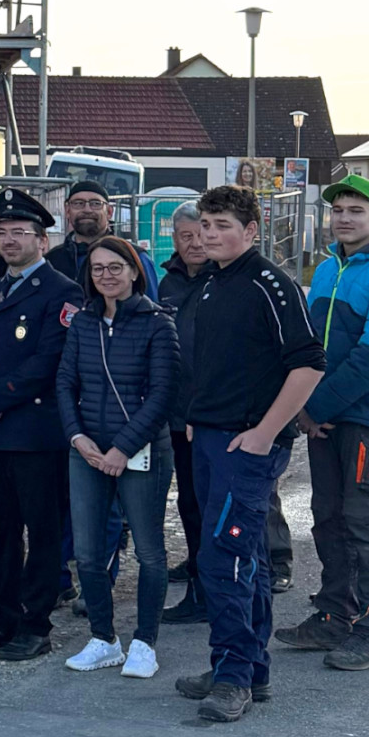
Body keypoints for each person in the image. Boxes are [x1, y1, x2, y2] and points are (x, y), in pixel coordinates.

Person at [171, 184, 324, 722]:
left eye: (222, 227)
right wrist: (196, 415)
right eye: (205, 226)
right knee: (247, 560)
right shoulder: (212, 282)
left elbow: (307, 364)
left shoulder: (271, 284)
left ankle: (232, 679)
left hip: (247, 445)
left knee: (223, 557)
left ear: (252, 232)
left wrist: (264, 433)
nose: (210, 236)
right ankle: (247, 669)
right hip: (210, 437)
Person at [277, 174, 369, 672]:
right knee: (329, 519)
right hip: (326, 418)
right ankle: (335, 614)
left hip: (368, 419)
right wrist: (303, 405)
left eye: (355, 210)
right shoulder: (327, 270)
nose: (344, 218)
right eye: (338, 209)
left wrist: (315, 406)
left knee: (367, 523)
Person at [0, 189, 77, 661]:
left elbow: (49, 359)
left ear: (42, 241)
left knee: (41, 532)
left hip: (31, 431)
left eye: (19, 233)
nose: (7, 240)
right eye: (1, 232)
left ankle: (35, 623)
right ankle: (1, 616)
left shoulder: (61, 291)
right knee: (1, 531)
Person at [56, 237, 178, 678]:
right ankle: (103, 638)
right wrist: (77, 437)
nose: (106, 275)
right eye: (97, 268)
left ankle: (145, 641)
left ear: (134, 270)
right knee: (88, 552)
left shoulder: (158, 323)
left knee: (149, 551)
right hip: (86, 450)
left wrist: (121, 449)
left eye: (115, 267)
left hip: (140, 451)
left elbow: (163, 394)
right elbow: (65, 381)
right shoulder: (84, 323)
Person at [157, 201, 210, 625]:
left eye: (200, 234)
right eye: (185, 236)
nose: (194, 244)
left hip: (215, 416)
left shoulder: (227, 279)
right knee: (189, 503)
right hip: (176, 416)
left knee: (215, 506)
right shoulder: (168, 284)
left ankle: (210, 589)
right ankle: (197, 571)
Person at [46, 181, 159, 300]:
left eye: (95, 204)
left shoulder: (135, 256)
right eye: (78, 203)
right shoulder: (52, 261)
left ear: (109, 212)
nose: (87, 210)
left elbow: (152, 308)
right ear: (68, 211)